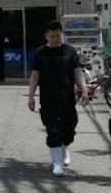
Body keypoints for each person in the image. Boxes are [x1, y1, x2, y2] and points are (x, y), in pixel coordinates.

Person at [27, 19, 88, 177]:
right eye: (52, 36)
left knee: (70, 127)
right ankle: (57, 163)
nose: (55, 39)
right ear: (46, 36)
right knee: (52, 129)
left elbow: (77, 72)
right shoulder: (40, 53)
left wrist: (84, 89)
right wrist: (31, 96)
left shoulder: (69, 51)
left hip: (67, 97)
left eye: (58, 35)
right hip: (48, 98)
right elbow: (35, 76)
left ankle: (64, 149)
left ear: (62, 34)